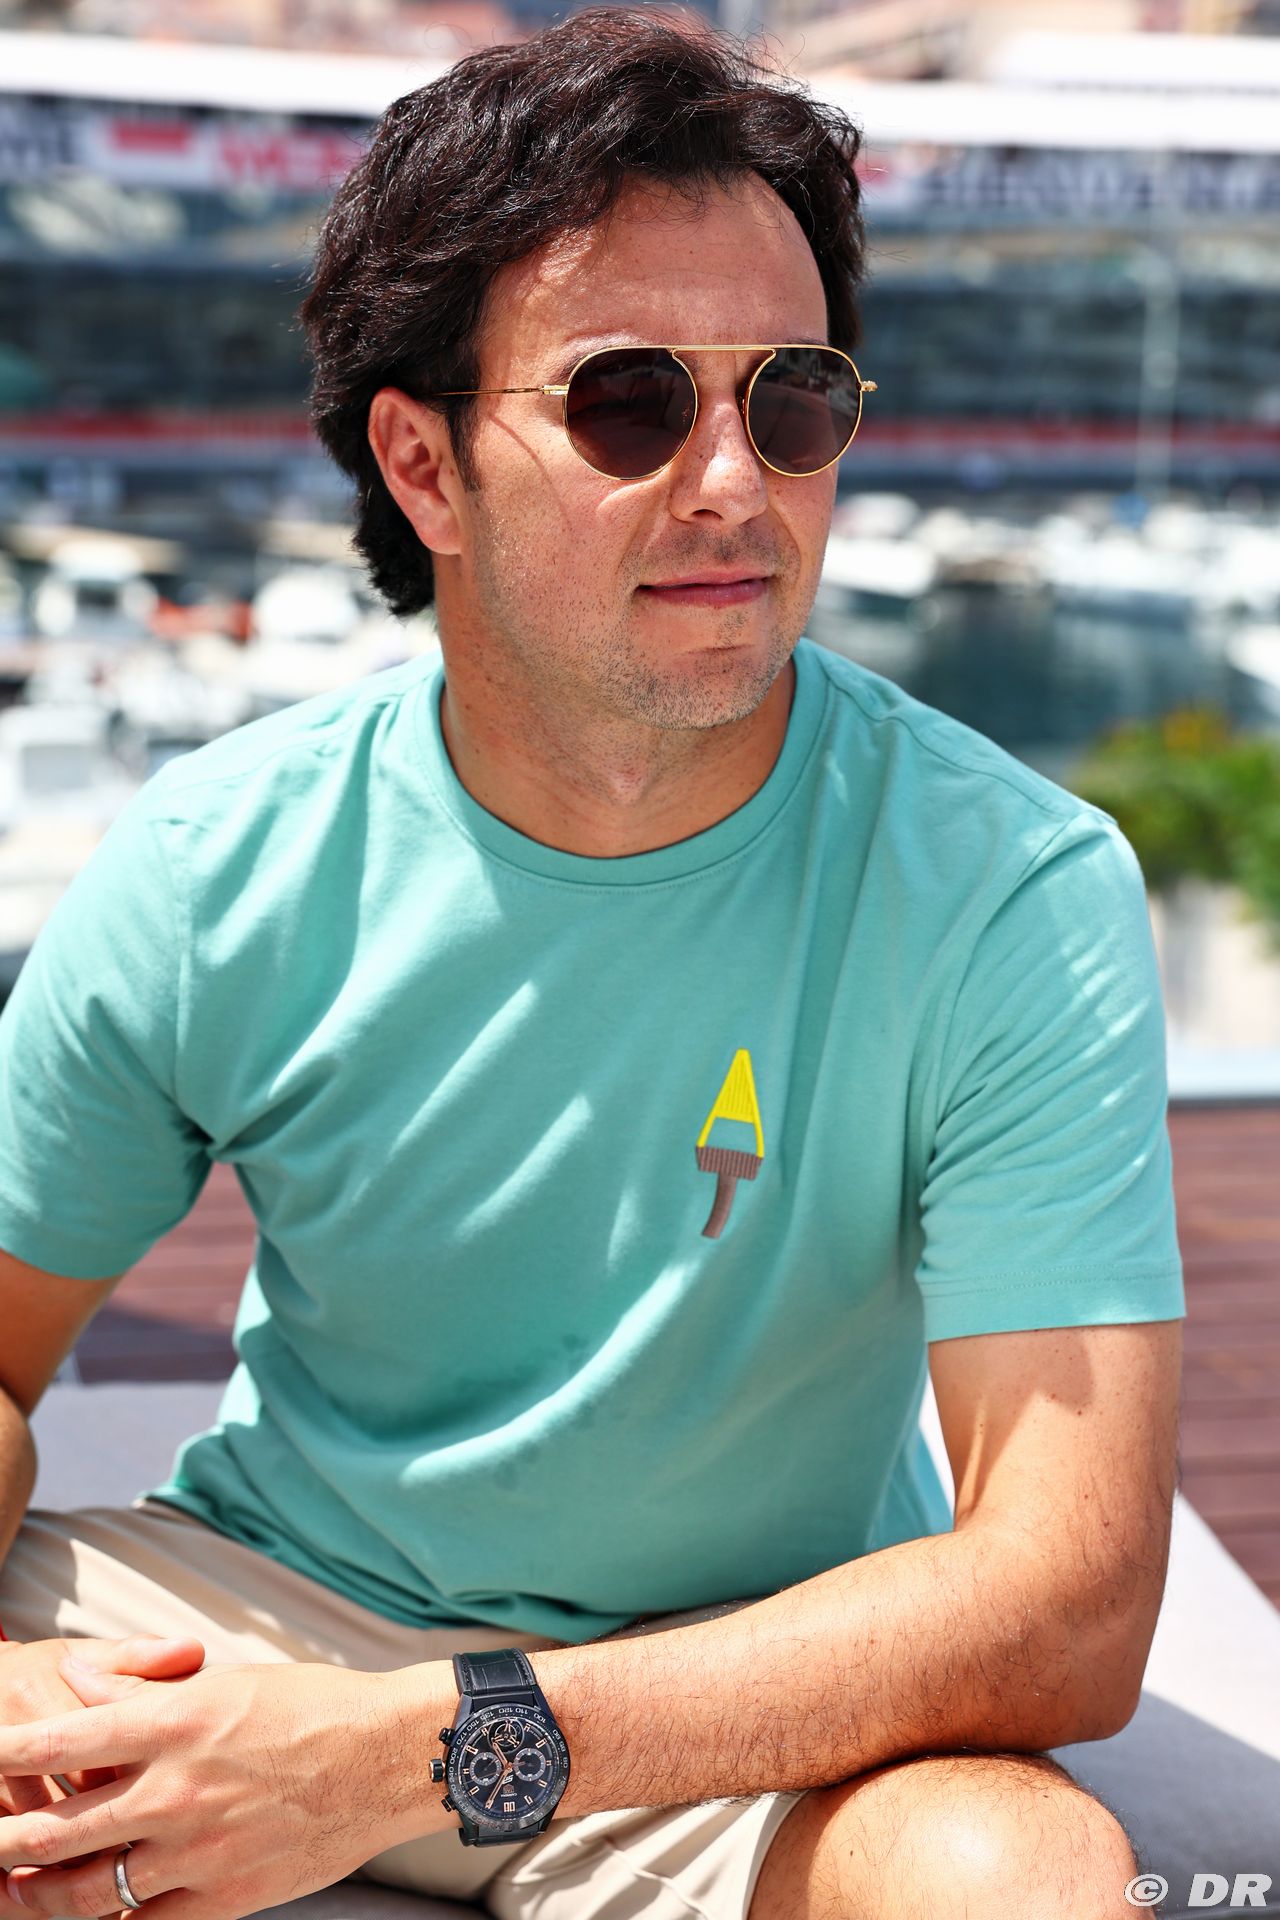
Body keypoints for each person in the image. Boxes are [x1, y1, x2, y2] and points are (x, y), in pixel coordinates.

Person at [0, 9, 1185, 1918]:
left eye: (792, 399)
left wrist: (406, 1751)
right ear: (424, 465)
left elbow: (1067, 1602)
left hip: (740, 1684)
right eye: (632, 402)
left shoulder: (1007, 888)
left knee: (1017, 1876)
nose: (733, 481)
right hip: (268, 1622)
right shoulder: (220, 866)